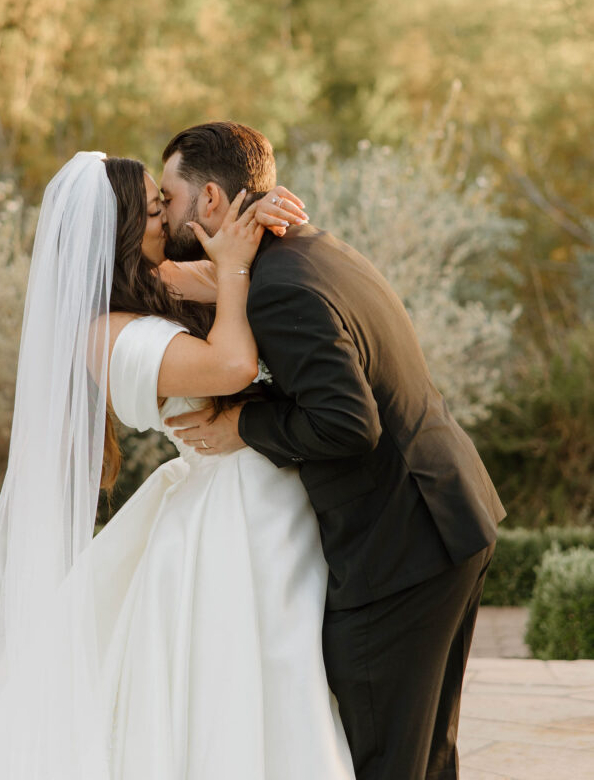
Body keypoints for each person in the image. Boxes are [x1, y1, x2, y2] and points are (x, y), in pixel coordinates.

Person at [0, 150, 355, 780]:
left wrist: (257, 221)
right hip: (232, 509)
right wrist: (237, 267)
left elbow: (247, 281)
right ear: (125, 225)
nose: (169, 216)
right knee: (253, 674)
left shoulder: (157, 286)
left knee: (284, 668)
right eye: (156, 207)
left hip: (261, 491)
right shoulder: (107, 333)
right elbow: (233, 367)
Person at [161, 121, 507, 780]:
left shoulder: (280, 287)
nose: (165, 212)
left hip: (403, 550)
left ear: (210, 200)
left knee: (384, 759)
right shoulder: (302, 252)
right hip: (445, 519)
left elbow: (349, 423)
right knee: (424, 757)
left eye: (170, 197)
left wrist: (241, 427)